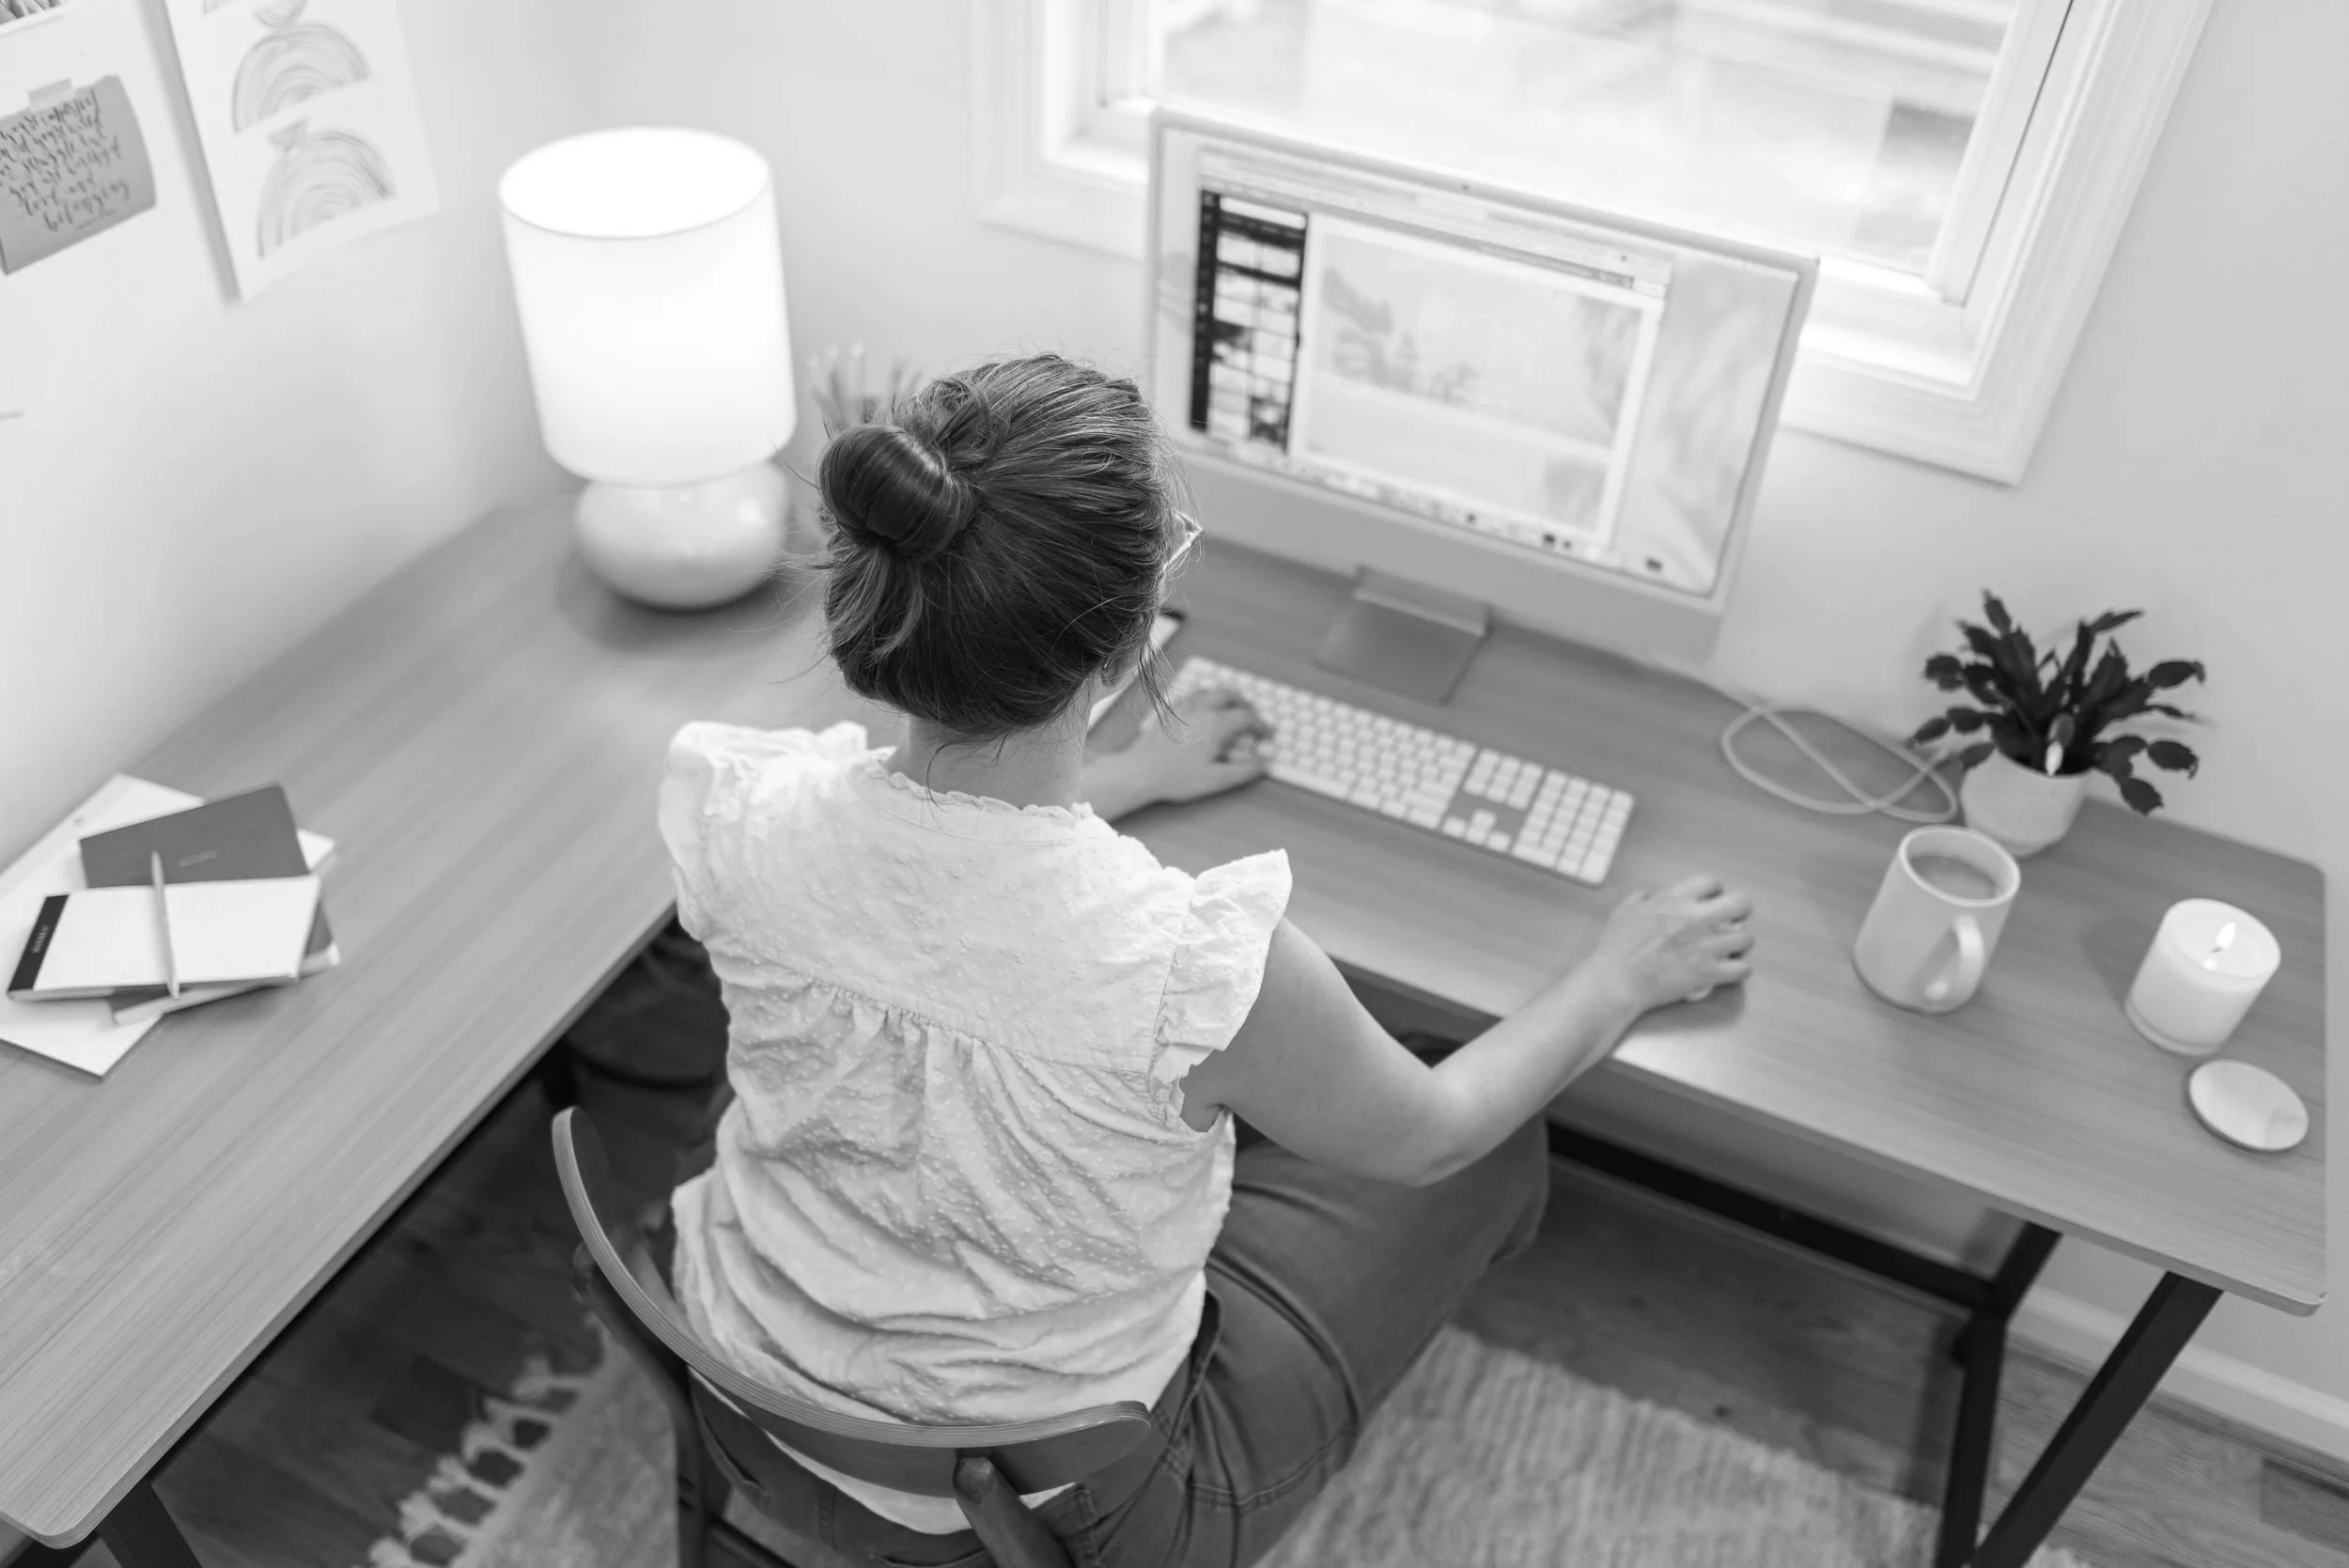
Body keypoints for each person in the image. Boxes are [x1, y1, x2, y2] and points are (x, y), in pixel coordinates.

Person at [641, 352, 1754, 1568]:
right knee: (1486, 1149)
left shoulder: (743, 812)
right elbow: (1434, 1135)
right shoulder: (1199, 974)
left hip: (745, 1397)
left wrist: (1124, 782)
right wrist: (1621, 975)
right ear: (1128, 647)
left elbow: (937, 890)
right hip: (1030, 1521)